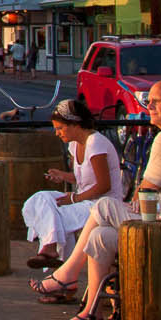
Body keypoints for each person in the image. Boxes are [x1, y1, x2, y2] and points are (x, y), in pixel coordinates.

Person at [31, 80, 161, 307]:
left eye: (155, 102)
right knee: (99, 236)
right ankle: (94, 310)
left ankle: (64, 273)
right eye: (147, 101)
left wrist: (75, 198)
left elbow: (143, 190)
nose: (148, 106)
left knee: (102, 207)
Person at [22, 98, 121, 268]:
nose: (57, 133)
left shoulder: (95, 143)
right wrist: (63, 176)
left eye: (60, 128)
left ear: (75, 124)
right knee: (40, 200)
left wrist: (75, 198)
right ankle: (52, 251)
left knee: (56, 217)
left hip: (102, 204)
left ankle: (53, 256)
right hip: (84, 199)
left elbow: (104, 185)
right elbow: (82, 177)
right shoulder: (75, 145)